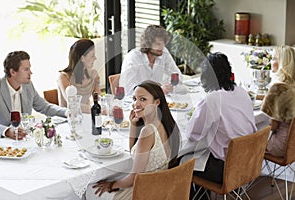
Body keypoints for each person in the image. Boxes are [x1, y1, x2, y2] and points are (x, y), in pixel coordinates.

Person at [182, 52, 257, 199]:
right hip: (249, 162)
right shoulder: (242, 92)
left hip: (227, 169)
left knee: (181, 162)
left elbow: (192, 133)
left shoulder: (213, 99)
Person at [89, 80, 181, 199]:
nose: (136, 104)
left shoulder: (148, 131)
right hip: (160, 188)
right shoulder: (163, 124)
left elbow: (133, 179)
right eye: (134, 99)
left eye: (142, 99)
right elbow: (134, 151)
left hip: (145, 192)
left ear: (157, 102)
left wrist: (111, 185)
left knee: (90, 190)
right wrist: (133, 125)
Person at [0, 51, 68, 139]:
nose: (31, 72)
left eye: (29, 68)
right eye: (26, 69)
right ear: (13, 72)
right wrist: (6, 131)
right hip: (1, 143)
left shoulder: (27, 85)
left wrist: (66, 112)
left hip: (24, 139)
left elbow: (45, 107)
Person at [119, 25, 185, 96]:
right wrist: (157, 90)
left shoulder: (163, 53)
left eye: (163, 43)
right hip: (134, 101)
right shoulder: (133, 58)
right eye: (157, 44)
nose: (161, 47)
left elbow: (177, 76)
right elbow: (127, 89)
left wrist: (169, 85)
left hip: (155, 100)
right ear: (148, 43)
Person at [261, 45, 295, 157]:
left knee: (247, 138)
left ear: (283, 63)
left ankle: (245, 172)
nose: (271, 62)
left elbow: (273, 126)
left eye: (274, 58)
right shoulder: (290, 87)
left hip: (280, 146)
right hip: (293, 146)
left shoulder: (278, 88)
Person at [57, 38, 100, 113]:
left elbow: (98, 99)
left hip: (87, 116)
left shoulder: (93, 74)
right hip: (69, 119)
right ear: (82, 58)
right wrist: (96, 110)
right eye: (92, 56)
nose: (95, 58)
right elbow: (73, 104)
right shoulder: (63, 77)